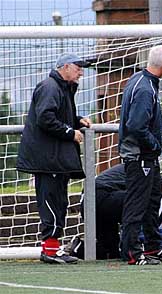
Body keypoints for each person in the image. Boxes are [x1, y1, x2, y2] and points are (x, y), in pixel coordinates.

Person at [16, 53, 92, 264]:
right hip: (47, 159)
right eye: (78, 67)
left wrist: (77, 121)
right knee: (51, 203)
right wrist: (70, 132)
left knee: (59, 203)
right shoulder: (50, 87)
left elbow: (59, 116)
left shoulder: (62, 89)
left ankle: (54, 248)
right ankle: (49, 250)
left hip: (56, 159)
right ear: (65, 67)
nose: (81, 71)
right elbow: (45, 118)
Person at [70, 163, 162, 260]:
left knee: (111, 251)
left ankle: (78, 248)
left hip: (87, 201)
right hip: (103, 197)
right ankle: (136, 251)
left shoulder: (140, 172)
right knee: (148, 227)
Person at [118, 45, 162, 265]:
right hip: (140, 156)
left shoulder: (140, 80)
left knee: (152, 202)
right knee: (137, 204)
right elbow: (135, 125)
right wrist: (154, 145)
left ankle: (153, 247)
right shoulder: (145, 89)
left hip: (146, 156)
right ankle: (132, 252)